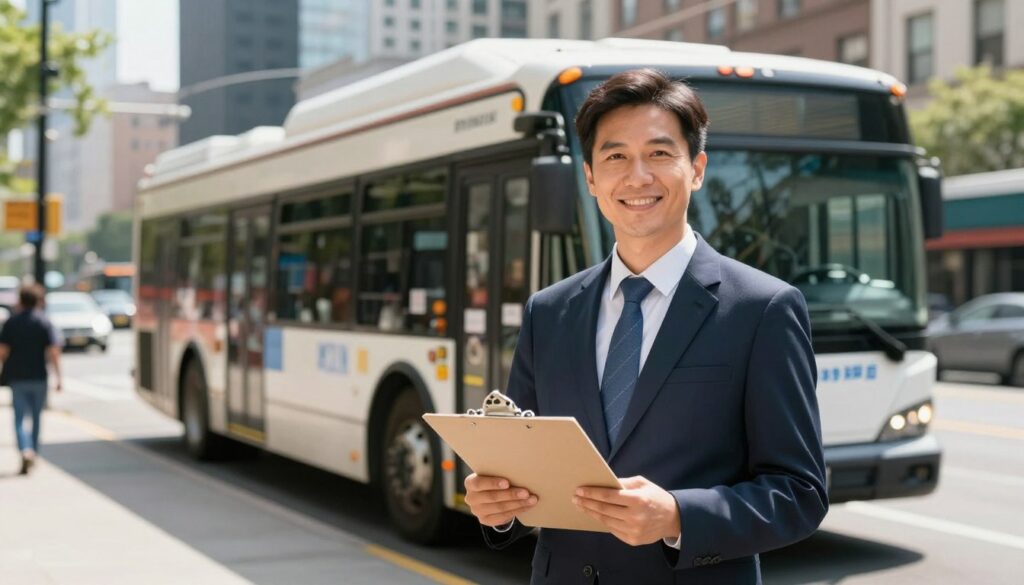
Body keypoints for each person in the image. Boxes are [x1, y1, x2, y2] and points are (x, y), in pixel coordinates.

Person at [463, 69, 827, 584]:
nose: (637, 177)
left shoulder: (763, 308)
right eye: (615, 157)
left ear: (696, 169)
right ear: (590, 178)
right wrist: (497, 505)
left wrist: (678, 516)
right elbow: (525, 460)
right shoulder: (549, 312)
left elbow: (800, 494)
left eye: (659, 154)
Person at [0, 284, 63, 475]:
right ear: (38, 301)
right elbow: (53, 351)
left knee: (19, 418)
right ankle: (33, 451)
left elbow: (3, 350)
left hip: (17, 377)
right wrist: (59, 377)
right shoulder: (44, 322)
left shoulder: (12, 322)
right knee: (36, 418)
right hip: (39, 376)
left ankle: (24, 450)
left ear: (20, 300)